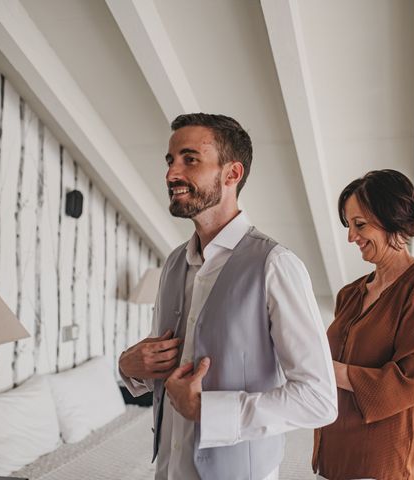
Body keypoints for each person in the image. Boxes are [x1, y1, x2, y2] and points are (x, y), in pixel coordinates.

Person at [119, 113, 337, 480]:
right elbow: (166, 373)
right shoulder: (173, 264)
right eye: (171, 161)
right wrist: (129, 367)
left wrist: (208, 409)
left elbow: (319, 400)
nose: (172, 173)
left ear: (232, 174)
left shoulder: (276, 266)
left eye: (190, 159)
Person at [312, 169, 414, 480]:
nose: (351, 237)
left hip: (383, 460)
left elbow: (408, 381)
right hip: (332, 453)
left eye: (359, 225)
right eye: (348, 226)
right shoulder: (349, 294)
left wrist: (330, 370)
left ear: (393, 220)